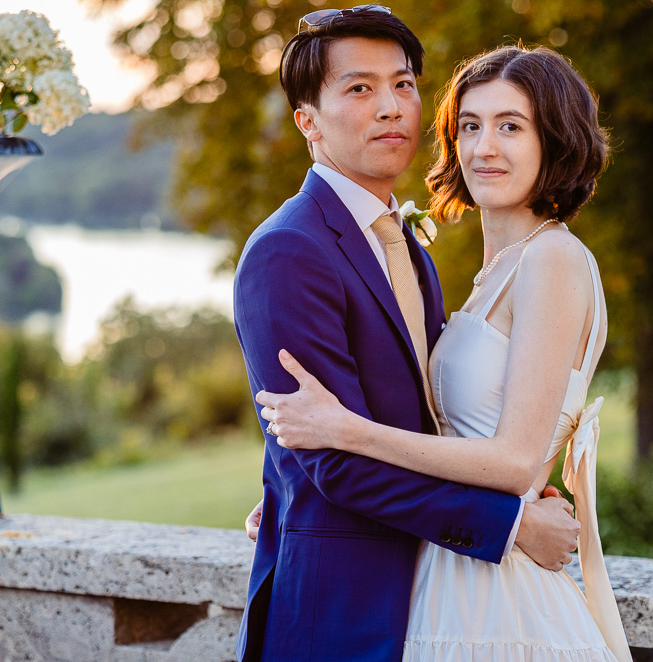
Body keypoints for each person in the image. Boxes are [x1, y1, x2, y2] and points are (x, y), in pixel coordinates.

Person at [254, 43, 632, 662]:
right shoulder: (471, 269)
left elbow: (512, 461)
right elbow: (432, 425)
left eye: (511, 127)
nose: (484, 148)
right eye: (471, 126)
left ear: (556, 140)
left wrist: (348, 431)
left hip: (502, 599)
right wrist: (287, 498)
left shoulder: (553, 258)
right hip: (443, 577)